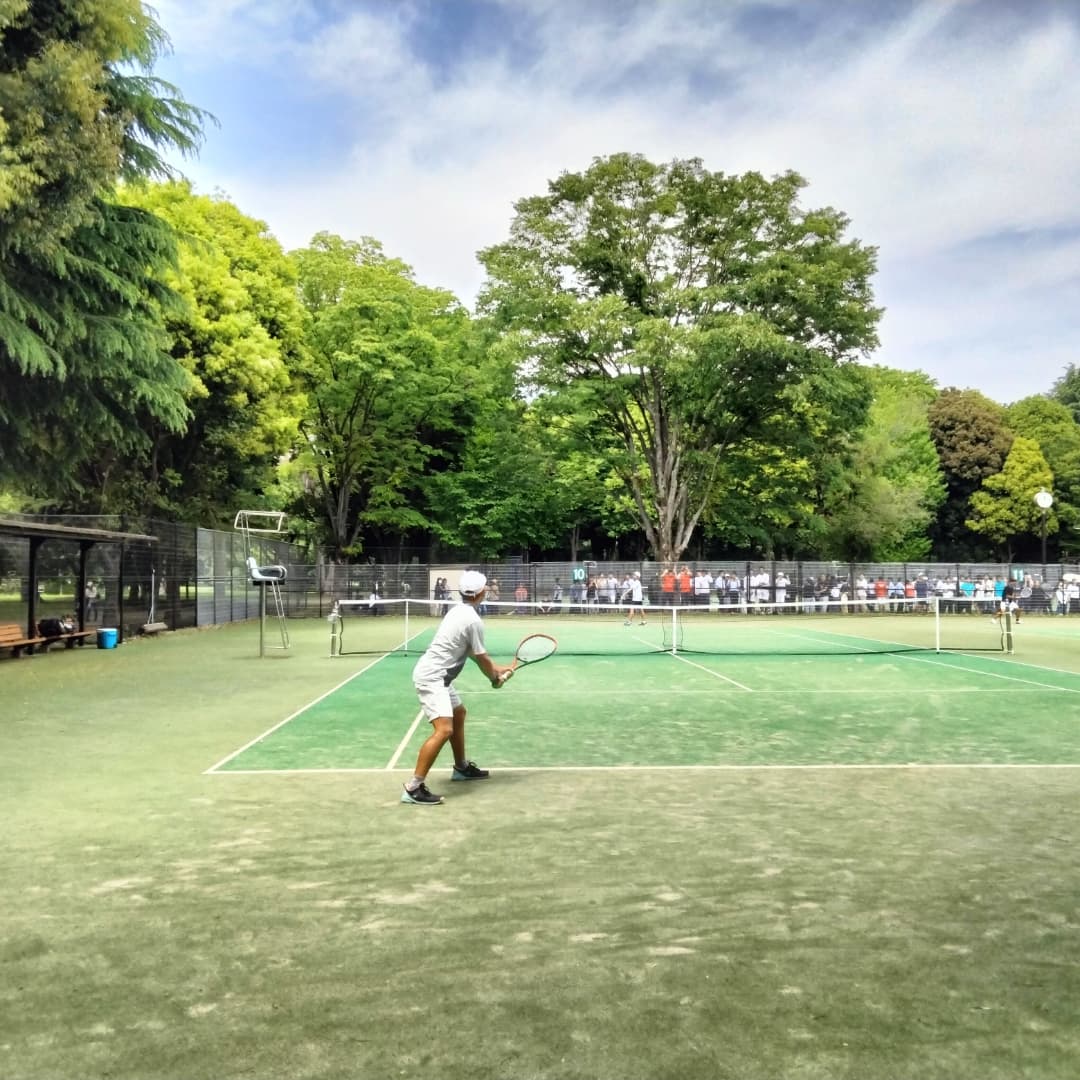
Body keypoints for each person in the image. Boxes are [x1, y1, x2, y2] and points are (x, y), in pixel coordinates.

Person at [403, 570, 512, 805]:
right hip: (433, 677)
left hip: (439, 677)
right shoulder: (473, 620)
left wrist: (497, 670)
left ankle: (461, 768)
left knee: (459, 713)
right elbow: (481, 658)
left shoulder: (458, 611)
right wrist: (494, 679)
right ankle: (413, 787)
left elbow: (472, 653)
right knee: (444, 729)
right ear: (482, 593)